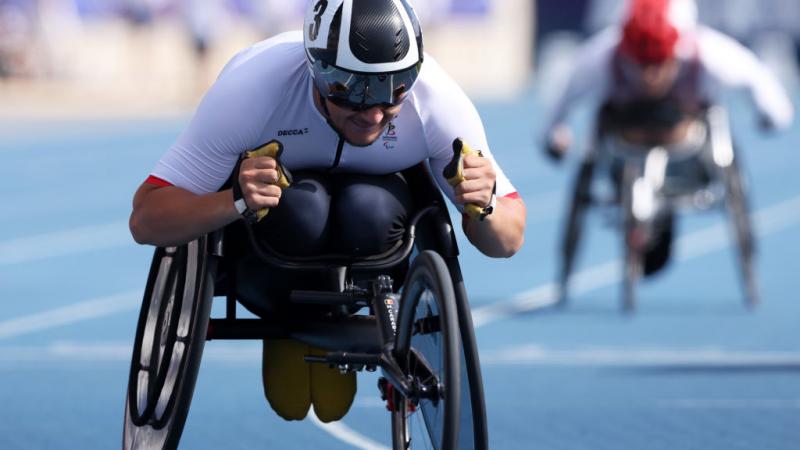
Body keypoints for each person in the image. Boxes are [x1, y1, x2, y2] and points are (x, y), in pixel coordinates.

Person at [129, 0, 526, 423]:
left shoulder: (435, 100)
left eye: (395, 89)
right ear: (317, 72)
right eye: (354, 92)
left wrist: (482, 207)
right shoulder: (253, 90)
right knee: (304, 206)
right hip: (269, 255)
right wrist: (235, 200)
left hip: (373, 246)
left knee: (366, 208)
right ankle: (286, 321)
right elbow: (146, 219)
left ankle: (335, 314)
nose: (374, 113)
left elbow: (507, 240)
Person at [541, 0, 794, 276]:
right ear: (625, 51)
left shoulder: (707, 53)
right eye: (640, 65)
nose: (650, 77)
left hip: (686, 142)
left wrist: (772, 116)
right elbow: (558, 111)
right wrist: (556, 136)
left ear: (675, 51)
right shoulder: (601, 57)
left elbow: (760, 84)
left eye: (659, 65)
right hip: (625, 140)